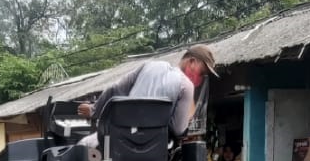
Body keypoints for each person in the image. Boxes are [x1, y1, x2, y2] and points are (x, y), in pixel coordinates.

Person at [75, 44, 219, 147]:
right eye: (202, 73)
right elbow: (178, 129)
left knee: (81, 147)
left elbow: (115, 88)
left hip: (118, 141)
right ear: (192, 62)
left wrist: (94, 110)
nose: (201, 78)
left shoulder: (149, 65)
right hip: (153, 151)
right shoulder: (186, 85)